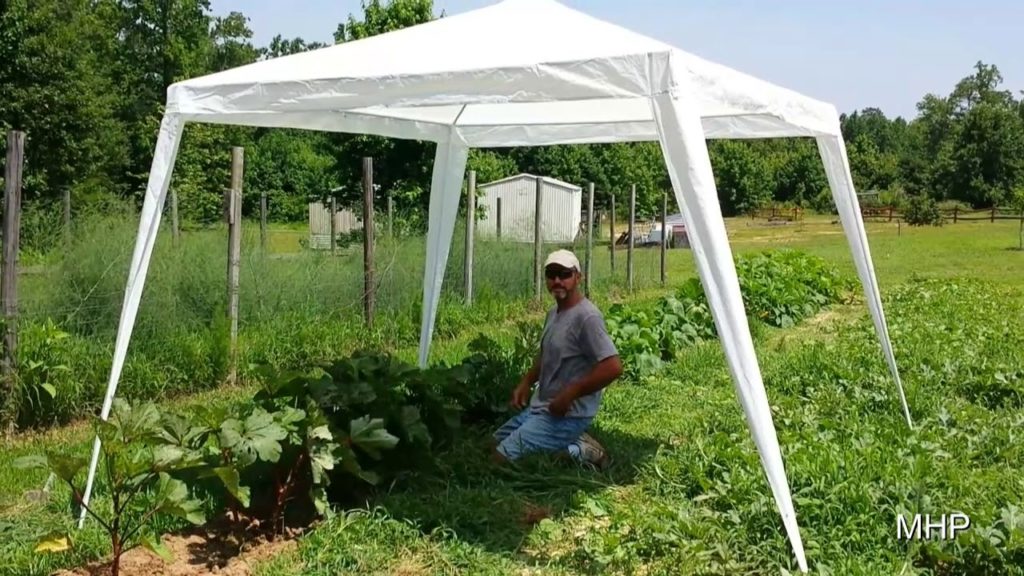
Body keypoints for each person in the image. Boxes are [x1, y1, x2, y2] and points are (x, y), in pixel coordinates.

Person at [491, 249, 623, 467]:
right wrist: (526, 382)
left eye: (565, 274)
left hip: (568, 414)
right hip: (543, 407)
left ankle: (580, 450)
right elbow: (547, 355)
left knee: (498, 461)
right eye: (551, 275)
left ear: (578, 277)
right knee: (490, 445)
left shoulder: (587, 317)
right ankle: (570, 444)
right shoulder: (553, 313)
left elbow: (613, 367)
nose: (557, 281)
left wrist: (571, 394)